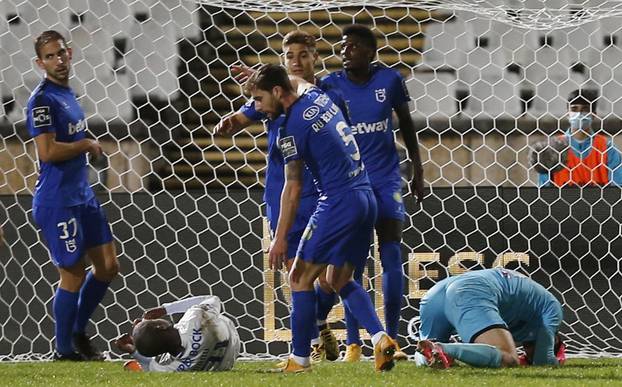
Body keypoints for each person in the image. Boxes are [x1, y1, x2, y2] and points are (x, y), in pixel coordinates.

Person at [245, 63, 397, 373]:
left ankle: (299, 360)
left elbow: (293, 185)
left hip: (338, 200)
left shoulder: (290, 129)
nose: (256, 108)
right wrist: (260, 73)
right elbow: (296, 79)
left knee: (299, 278)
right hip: (365, 197)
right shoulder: (318, 97)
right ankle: (382, 339)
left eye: (258, 99)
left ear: (277, 92)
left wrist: (279, 238)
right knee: (339, 278)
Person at [214, 30, 351, 362]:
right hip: (284, 192)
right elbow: (246, 114)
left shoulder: (326, 92)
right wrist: (230, 121)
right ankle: (314, 336)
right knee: (296, 271)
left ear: (315, 56)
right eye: (290, 56)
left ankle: (317, 323)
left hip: (324, 192)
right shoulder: (271, 95)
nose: (297, 61)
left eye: (303, 54)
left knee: (336, 273)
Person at [319, 24, 425, 361]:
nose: (344, 52)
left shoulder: (390, 80)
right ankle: (353, 344)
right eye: (342, 47)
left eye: (351, 46)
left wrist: (419, 170)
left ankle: (390, 341)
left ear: (370, 52)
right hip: (351, 185)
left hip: (387, 180)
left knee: (392, 258)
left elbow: (406, 124)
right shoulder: (331, 85)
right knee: (353, 263)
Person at [26, 30, 119, 361]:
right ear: (40, 62)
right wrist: (86, 145)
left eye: (61, 53)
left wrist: (85, 146)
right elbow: (48, 152)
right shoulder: (42, 101)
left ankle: (78, 331)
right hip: (57, 201)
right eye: (49, 56)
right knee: (74, 273)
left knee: (108, 266)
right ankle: (64, 350)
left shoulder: (68, 94)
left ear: (71, 53)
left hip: (83, 196)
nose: (57, 60)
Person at [415, 268, 564, 368]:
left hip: (437, 293)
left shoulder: (526, 309)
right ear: (555, 339)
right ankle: (442, 348)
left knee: (427, 354)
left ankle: (431, 352)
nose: (526, 351)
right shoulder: (553, 309)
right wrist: (557, 360)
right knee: (509, 358)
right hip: (471, 290)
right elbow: (543, 362)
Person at [114, 295, 240, 372]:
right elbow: (212, 299)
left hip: (224, 363)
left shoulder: (174, 366)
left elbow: (153, 368)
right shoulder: (195, 318)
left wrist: (133, 350)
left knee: (160, 363)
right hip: (231, 337)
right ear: (160, 327)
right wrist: (166, 309)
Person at [539, 89, 622, 186]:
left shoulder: (608, 148)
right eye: (574, 109)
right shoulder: (552, 149)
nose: (579, 114)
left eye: (585, 109)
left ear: (594, 115)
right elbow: (544, 192)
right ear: (567, 114)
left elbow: (618, 190)